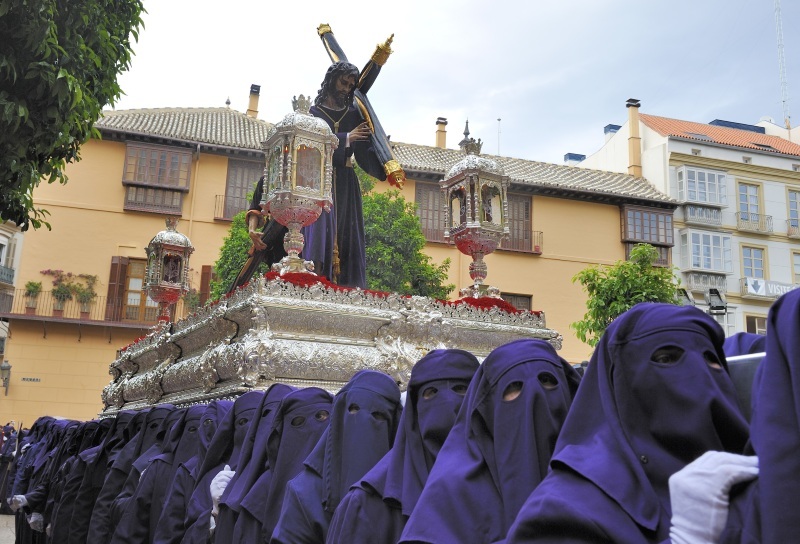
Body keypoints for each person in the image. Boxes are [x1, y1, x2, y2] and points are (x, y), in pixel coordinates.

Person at [505, 303, 750, 544]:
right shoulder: (566, 506)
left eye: (711, 358)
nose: (698, 372)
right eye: (666, 358)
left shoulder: (755, 468)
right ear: (620, 380)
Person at [399, 339, 580, 544]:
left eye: (547, 380)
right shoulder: (450, 495)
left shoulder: (597, 474)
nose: (534, 395)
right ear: (486, 407)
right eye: (513, 387)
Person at [241, 61, 387, 290]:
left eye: (351, 85)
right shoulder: (311, 117)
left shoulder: (355, 114)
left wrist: (383, 157)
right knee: (312, 238)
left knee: (347, 243)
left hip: (345, 187)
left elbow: (365, 157)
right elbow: (273, 176)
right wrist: (347, 137)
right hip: (313, 182)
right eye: (343, 82)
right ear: (331, 80)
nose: (346, 88)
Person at [327, 349, 480, 544]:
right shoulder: (366, 504)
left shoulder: (506, 480)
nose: (448, 402)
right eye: (431, 392)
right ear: (412, 414)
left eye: (461, 390)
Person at [270, 369, 402, 543]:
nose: (364, 424)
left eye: (378, 416)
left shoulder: (406, 483)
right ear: (339, 419)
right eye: (354, 411)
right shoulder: (306, 491)